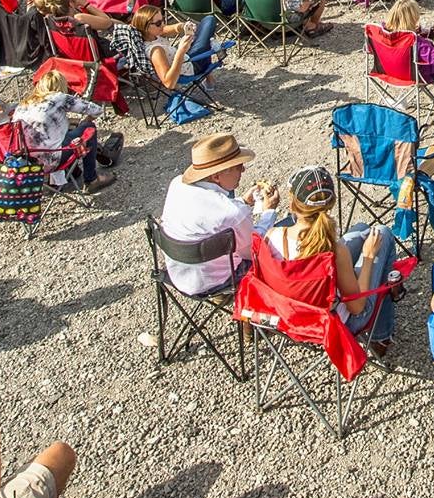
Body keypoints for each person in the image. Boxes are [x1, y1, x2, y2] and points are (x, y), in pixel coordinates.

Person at [265, 165, 400, 351]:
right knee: (382, 233)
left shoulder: (272, 236)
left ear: (293, 203)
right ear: (331, 203)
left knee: (362, 229)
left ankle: (380, 332)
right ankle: (380, 336)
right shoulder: (335, 251)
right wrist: (368, 257)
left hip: (289, 316)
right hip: (333, 325)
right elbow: (357, 307)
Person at [159, 133, 280, 296]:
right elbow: (254, 250)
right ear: (216, 176)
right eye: (238, 166)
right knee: (283, 236)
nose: (243, 170)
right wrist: (269, 211)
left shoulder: (177, 184)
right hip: (217, 281)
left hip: (179, 274)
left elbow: (207, 212)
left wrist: (243, 202)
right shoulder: (232, 213)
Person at [11, 68, 117, 192]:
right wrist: (85, 121)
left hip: (29, 164)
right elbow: (96, 110)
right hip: (52, 160)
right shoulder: (57, 97)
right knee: (88, 128)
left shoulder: (23, 105)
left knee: (62, 134)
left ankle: (73, 173)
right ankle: (91, 179)